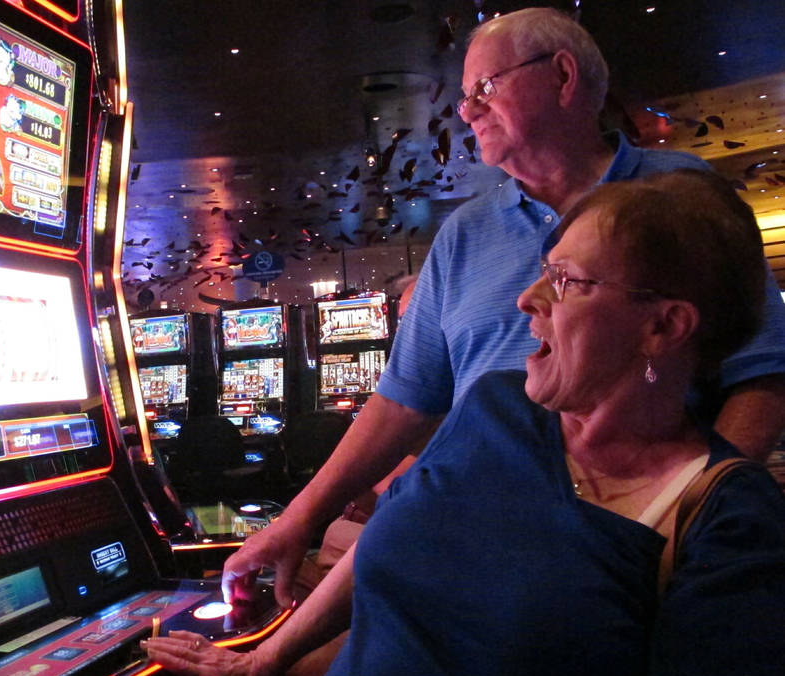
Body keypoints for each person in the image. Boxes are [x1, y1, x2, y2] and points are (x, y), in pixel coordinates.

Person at [221, 6, 785, 610]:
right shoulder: (464, 234)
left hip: (624, 551)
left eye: (484, 88)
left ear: (564, 76)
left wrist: (684, 519)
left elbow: (764, 372)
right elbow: (401, 400)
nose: (465, 111)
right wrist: (300, 518)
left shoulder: (681, 197)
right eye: (463, 96)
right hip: (470, 539)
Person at [143, 169, 785, 676]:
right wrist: (266, 661)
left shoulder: (727, 513)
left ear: (665, 327)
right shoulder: (495, 410)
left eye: (566, 282)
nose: (527, 299)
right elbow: (388, 542)